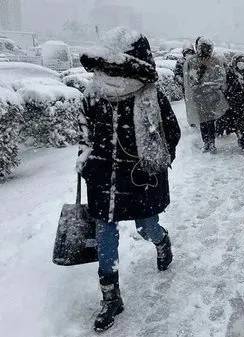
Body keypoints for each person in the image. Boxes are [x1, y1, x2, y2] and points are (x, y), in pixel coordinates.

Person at [78, 27, 181, 333]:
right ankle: (110, 297)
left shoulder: (151, 96)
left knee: (145, 226)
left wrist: (153, 162)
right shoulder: (93, 93)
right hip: (103, 178)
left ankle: (162, 242)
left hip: (139, 178)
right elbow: (84, 133)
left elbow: (170, 134)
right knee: (105, 234)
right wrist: (86, 160)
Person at [183, 36, 228, 153]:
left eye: (206, 48)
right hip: (199, 96)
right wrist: (198, 85)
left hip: (212, 96)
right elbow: (190, 79)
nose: (204, 50)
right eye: (202, 48)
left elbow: (221, 78)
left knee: (210, 121)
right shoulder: (192, 61)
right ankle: (206, 142)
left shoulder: (215, 61)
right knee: (203, 121)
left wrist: (209, 85)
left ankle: (211, 143)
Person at [225, 55, 244, 153]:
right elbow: (227, 88)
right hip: (234, 104)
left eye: (243, 62)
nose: (241, 64)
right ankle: (239, 136)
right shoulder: (230, 74)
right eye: (239, 62)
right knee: (235, 124)